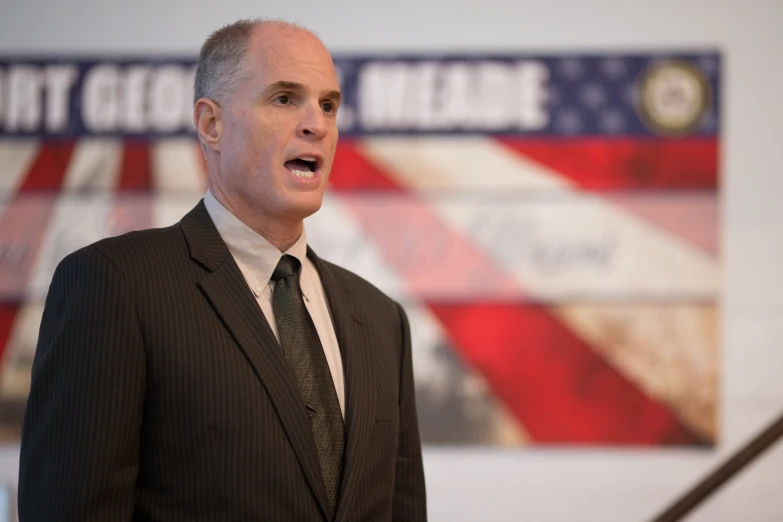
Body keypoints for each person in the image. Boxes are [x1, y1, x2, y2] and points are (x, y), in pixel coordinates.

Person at [18, 19, 427, 522]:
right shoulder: (115, 286)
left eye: (328, 105)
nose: (316, 125)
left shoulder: (382, 320)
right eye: (284, 98)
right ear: (211, 124)